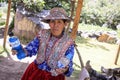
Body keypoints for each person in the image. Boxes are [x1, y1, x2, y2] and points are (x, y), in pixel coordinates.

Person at [11, 7, 75, 80]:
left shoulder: (69, 43)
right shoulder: (42, 34)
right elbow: (31, 49)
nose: (55, 25)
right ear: (49, 23)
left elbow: (69, 63)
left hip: (54, 77)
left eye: (59, 22)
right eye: (52, 21)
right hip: (35, 73)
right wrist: (19, 50)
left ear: (65, 24)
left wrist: (65, 69)